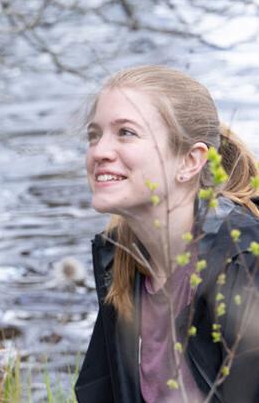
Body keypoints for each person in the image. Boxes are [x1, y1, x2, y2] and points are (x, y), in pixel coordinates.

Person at [75, 65, 259, 403]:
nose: (99, 151)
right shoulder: (120, 265)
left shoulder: (244, 264)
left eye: (126, 132)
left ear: (190, 161)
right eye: (94, 135)